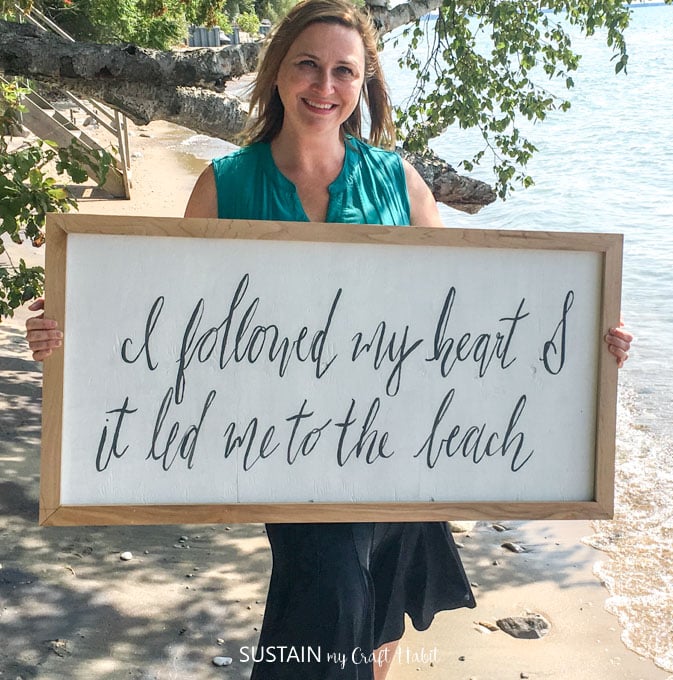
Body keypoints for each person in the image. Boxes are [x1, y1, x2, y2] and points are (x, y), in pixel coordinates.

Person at [25, 0, 634, 677]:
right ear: (278, 73)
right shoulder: (225, 186)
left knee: (374, 623)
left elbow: (474, 315)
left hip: (402, 443)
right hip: (285, 447)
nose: (324, 87)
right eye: (308, 66)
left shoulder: (398, 181)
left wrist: (586, 343)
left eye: (344, 71)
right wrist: (72, 330)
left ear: (364, 82)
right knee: (332, 597)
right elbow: (172, 328)